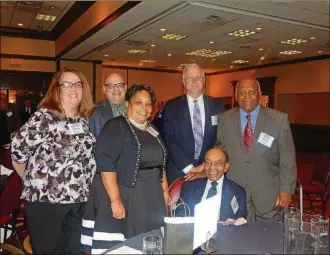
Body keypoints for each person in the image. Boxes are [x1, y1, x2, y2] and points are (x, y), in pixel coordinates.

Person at [11, 68, 96, 254]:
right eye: (67, 84)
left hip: (79, 201)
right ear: (56, 89)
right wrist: (32, 180)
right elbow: (17, 152)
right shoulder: (45, 117)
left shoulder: (83, 121)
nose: (73, 88)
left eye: (78, 84)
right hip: (47, 203)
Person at [81, 85, 170, 254]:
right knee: (127, 246)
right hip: (127, 194)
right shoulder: (116, 126)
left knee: (150, 244)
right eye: (139, 102)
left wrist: (165, 191)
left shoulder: (152, 129)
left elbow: (161, 163)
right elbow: (105, 161)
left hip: (152, 195)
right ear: (128, 104)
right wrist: (115, 200)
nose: (144, 107)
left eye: (149, 103)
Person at [215, 77, 297, 222]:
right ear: (236, 95)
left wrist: (286, 189)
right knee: (239, 240)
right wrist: (205, 168)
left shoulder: (279, 119)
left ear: (259, 93)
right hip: (237, 193)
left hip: (269, 196)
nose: (247, 96)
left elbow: (288, 158)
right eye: (242, 92)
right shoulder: (224, 119)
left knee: (269, 240)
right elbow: (221, 152)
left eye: (251, 92)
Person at [163, 63, 225, 184]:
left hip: (209, 170)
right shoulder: (171, 106)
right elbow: (168, 139)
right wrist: (188, 167)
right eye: (190, 78)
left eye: (198, 77)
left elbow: (221, 138)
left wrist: (206, 164)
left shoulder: (217, 106)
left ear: (204, 80)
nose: (194, 81)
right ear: (183, 82)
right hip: (179, 171)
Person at [177, 148, 247, 220]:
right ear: (204, 165)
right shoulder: (189, 188)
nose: (212, 167)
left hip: (224, 231)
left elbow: (240, 222)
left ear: (226, 167)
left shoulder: (238, 191)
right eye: (208, 163)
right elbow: (179, 216)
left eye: (218, 163)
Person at [89, 73, 127, 138]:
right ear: (104, 89)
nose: (116, 89)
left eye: (120, 85)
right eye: (111, 86)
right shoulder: (95, 113)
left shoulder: (134, 109)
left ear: (125, 87)